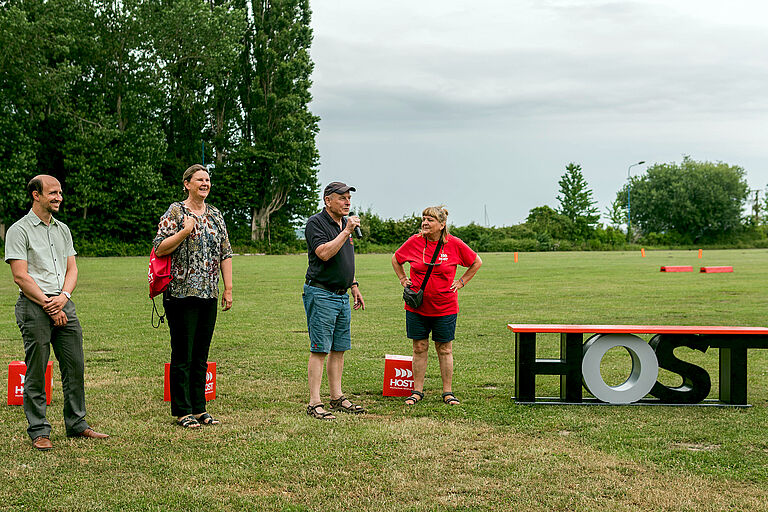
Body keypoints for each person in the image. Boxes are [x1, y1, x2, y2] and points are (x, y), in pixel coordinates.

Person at [4, 175, 109, 451]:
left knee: (75, 366)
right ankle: (39, 430)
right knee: (37, 370)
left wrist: (63, 298)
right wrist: (48, 304)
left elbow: (72, 269)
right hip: (33, 306)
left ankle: (77, 424)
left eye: (60, 193)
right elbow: (20, 276)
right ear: (36, 195)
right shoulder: (19, 230)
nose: (59, 197)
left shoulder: (63, 229)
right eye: (52, 193)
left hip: (63, 303)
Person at [154, 164, 233, 429]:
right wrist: (185, 231)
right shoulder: (176, 211)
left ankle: (200, 408)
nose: (205, 183)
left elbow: (225, 253)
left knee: (201, 353)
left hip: (209, 293)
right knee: (183, 353)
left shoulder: (216, 214)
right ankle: (182, 411)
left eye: (208, 180)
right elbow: (159, 248)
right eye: (200, 179)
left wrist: (228, 288)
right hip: (180, 293)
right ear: (186, 183)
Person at [391, 206, 482, 406]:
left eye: (430, 220)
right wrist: (402, 278)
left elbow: (476, 262)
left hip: (445, 307)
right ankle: (417, 391)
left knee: (445, 349)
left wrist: (461, 282)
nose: (425, 223)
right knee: (419, 347)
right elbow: (396, 259)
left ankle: (447, 392)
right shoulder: (414, 242)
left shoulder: (454, 244)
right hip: (417, 307)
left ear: (442, 225)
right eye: (423, 219)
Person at [303, 182, 366, 420]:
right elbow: (324, 253)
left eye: (349, 198)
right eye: (342, 198)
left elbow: (345, 260)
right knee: (320, 349)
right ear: (328, 200)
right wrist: (346, 231)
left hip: (341, 295)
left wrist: (353, 284)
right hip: (321, 293)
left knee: (339, 349)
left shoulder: (343, 224)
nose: (347, 202)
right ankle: (314, 402)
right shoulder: (316, 223)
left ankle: (337, 397)